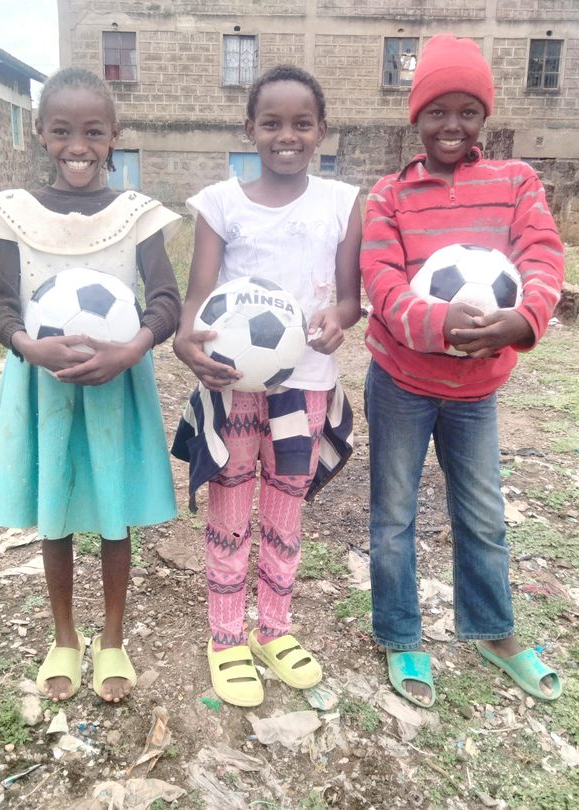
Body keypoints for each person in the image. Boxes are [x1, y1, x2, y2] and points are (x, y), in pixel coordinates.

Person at [361, 35, 565, 708]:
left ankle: (493, 631)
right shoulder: (389, 196)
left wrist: (523, 319)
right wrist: (436, 323)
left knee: (482, 514)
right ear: (416, 117)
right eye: (438, 111)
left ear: (485, 117)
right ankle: (400, 633)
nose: (453, 125)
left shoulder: (515, 183)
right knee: (394, 515)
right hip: (401, 383)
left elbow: (542, 255)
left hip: (476, 391)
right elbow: (381, 281)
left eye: (468, 111)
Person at [0, 67, 182, 704]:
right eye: (62, 131)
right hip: (45, 387)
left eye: (93, 131)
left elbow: (165, 301)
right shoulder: (14, 215)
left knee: (115, 514)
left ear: (114, 134)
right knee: (54, 511)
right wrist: (28, 345)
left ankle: (112, 637)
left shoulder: (136, 215)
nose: (78, 146)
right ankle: (64, 636)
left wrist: (133, 347)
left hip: (118, 384)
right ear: (41, 132)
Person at [172, 65, 362, 707]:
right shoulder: (220, 203)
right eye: (272, 123)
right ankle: (226, 637)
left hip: (305, 387)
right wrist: (186, 341)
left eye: (302, 123)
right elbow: (197, 299)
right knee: (229, 513)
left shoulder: (341, 202)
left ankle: (274, 629)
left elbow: (349, 299)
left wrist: (337, 319)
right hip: (234, 387)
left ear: (322, 131)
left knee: (285, 512)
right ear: (249, 129)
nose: (288, 135)